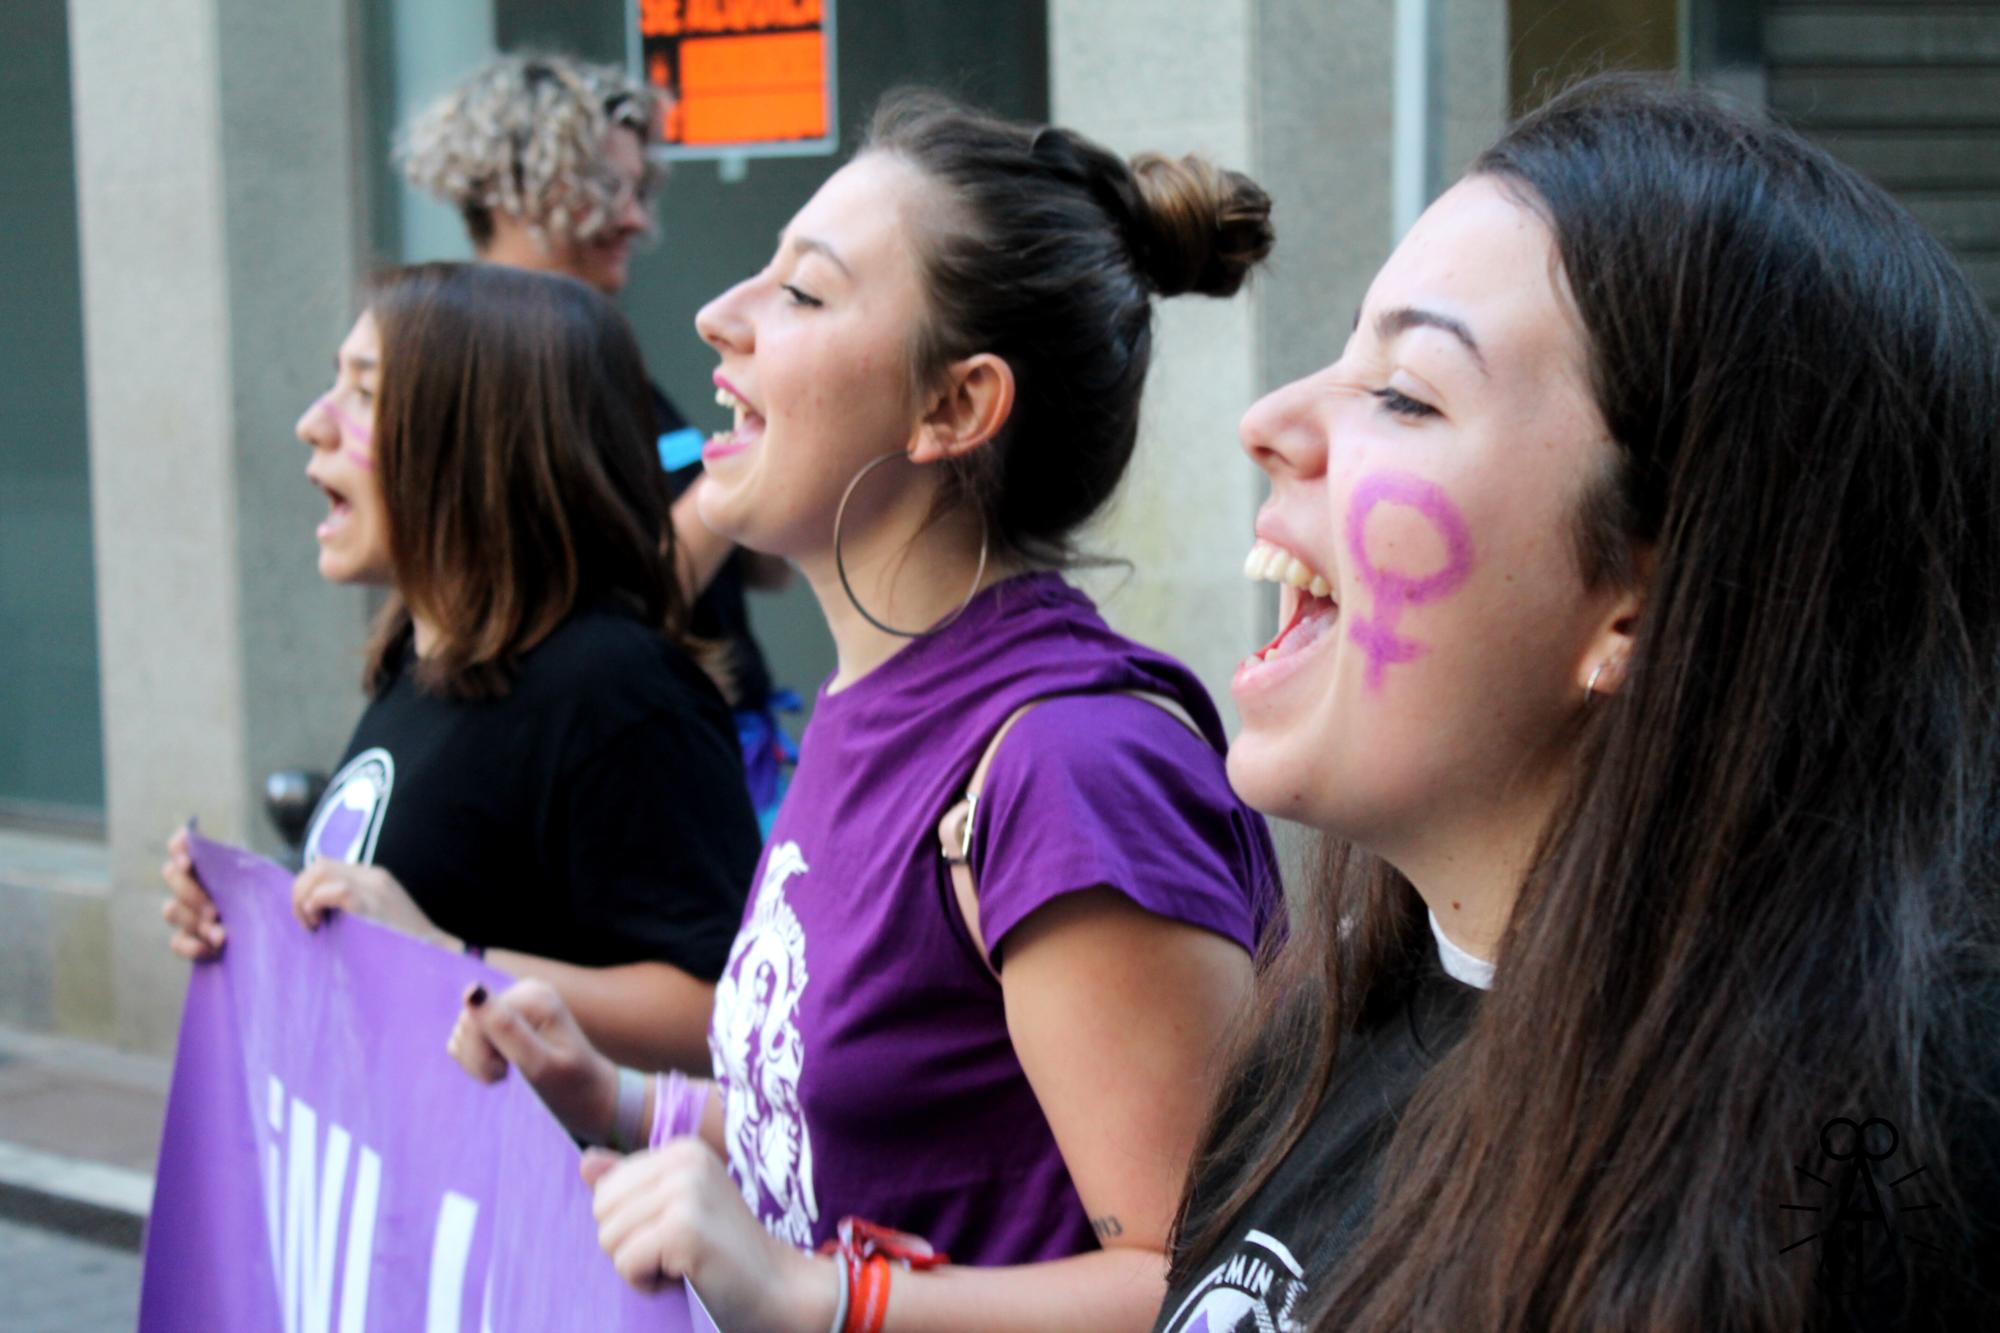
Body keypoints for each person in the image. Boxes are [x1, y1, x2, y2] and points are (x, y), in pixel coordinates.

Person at [1158, 75, 2000, 1333]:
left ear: (1642, 607)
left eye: (1405, 393)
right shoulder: (1317, 1038)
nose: (1268, 421)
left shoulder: (1882, 1173)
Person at [449, 91, 1282, 1330]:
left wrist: (817, 1297)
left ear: (953, 407)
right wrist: (615, 1098)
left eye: (801, 292)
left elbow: (1207, 1279)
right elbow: (870, 1125)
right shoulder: (876, 697)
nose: (717, 314)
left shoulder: (1066, 763)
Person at [160, 263, 762, 1074]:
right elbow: (419, 902)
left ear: (479, 443)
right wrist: (258, 917)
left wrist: (447, 959)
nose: (312, 423)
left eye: (364, 393)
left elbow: (718, 1012)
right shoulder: (423, 652)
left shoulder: (616, 688)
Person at [398, 53, 796, 825]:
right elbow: (611, 610)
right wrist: (734, 473)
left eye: (638, 189)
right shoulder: (488, 373)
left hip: (728, 743)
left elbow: (754, 571)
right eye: (606, 188)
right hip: (643, 767)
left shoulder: (596, 358)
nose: (636, 219)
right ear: (514, 188)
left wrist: (777, 462)